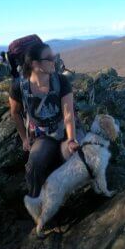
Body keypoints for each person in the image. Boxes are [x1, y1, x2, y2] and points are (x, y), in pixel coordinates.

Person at [7, 43, 83, 198]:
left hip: (63, 130)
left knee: (73, 157)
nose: (54, 60)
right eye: (49, 58)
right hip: (41, 135)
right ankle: (37, 204)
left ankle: (70, 199)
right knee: (34, 165)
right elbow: (15, 113)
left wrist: (71, 139)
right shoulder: (19, 86)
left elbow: (68, 114)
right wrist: (24, 139)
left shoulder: (61, 81)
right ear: (35, 63)